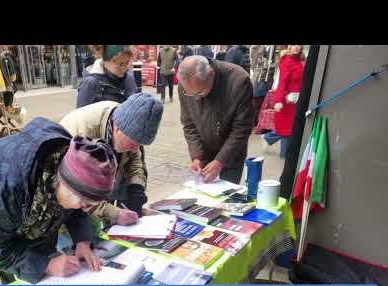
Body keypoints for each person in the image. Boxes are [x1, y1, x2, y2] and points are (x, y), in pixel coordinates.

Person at [0, 118, 118, 284]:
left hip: (21, 195)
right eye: (85, 204)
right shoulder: (8, 185)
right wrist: (46, 265)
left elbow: (77, 209)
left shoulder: (71, 165)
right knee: (11, 265)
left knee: (42, 246)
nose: (86, 209)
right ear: (61, 183)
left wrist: (82, 241)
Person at [60, 92, 163, 226]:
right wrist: (113, 213)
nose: (134, 149)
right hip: (68, 206)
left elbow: (134, 159)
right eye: (132, 144)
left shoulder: (127, 122)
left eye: (139, 145)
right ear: (118, 129)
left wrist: (135, 188)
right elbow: (77, 194)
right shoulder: (80, 135)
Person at [177, 55, 254, 184]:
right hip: (204, 155)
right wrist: (196, 156)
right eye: (191, 94)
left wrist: (220, 161)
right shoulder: (185, 85)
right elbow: (189, 124)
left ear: (211, 74)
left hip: (230, 156)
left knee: (224, 200)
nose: (196, 98)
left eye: (200, 92)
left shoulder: (239, 81)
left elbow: (242, 129)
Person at [261, 45, 305, 159]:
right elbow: (282, 82)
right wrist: (279, 100)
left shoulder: (299, 60)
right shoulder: (287, 60)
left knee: (290, 128)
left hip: (295, 100)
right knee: (286, 130)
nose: (296, 47)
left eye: (299, 45)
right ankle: (285, 156)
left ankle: (268, 139)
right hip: (286, 101)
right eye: (294, 45)